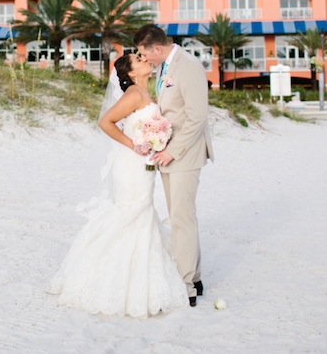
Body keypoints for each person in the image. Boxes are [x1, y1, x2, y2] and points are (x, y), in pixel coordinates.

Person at [50, 52, 188, 318]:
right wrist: (134, 144)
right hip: (131, 163)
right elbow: (105, 122)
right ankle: (98, 275)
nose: (145, 58)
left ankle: (143, 280)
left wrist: (156, 139)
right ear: (132, 73)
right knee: (131, 213)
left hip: (144, 164)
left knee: (142, 212)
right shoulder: (134, 94)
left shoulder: (147, 94)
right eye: (138, 58)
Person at [133, 23, 212, 308]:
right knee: (181, 218)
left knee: (181, 219)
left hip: (184, 156)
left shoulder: (187, 66)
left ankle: (187, 284)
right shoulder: (167, 66)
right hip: (170, 154)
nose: (145, 60)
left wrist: (172, 151)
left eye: (146, 54)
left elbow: (196, 117)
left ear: (157, 47)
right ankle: (196, 276)